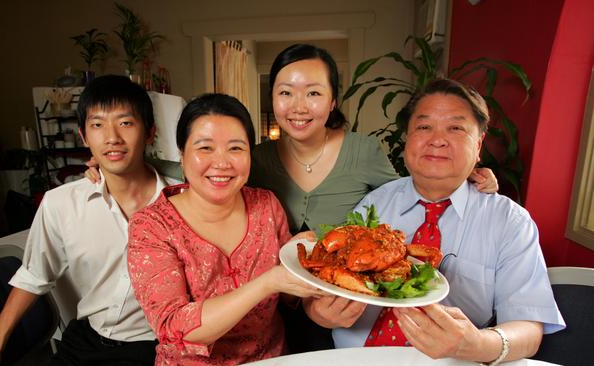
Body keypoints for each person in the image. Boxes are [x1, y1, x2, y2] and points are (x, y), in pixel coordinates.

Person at [84, 44, 499, 353]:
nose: (299, 106)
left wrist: (467, 174)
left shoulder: (355, 156)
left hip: (328, 310)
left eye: (314, 94)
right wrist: (109, 163)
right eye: (285, 93)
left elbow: (414, 183)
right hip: (271, 311)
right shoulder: (254, 159)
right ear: (272, 100)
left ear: (333, 100)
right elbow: (188, 168)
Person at [307, 78, 565, 364]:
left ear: (478, 144)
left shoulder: (510, 222)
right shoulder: (375, 204)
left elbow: (529, 328)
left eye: (455, 128)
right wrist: (318, 313)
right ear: (407, 140)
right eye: (424, 126)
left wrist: (479, 343)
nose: (437, 139)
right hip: (352, 358)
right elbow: (323, 279)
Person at [0, 75, 168, 366]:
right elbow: (34, 275)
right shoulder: (61, 203)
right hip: (87, 343)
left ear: (149, 133)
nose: (112, 137)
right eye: (97, 125)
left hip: (160, 348)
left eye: (125, 123)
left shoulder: (183, 202)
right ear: (83, 136)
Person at [126, 93, 324, 365]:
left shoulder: (266, 205)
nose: (222, 163)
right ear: (182, 156)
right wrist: (268, 282)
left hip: (273, 359)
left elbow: (289, 295)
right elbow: (174, 327)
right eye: (205, 148)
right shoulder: (151, 226)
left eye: (235, 148)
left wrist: (301, 263)